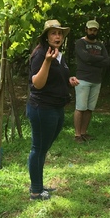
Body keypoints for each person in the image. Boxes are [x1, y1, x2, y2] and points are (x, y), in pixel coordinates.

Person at [27, 19, 79, 200]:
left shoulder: (58, 55)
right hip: (42, 108)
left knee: (43, 148)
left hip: (56, 107)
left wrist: (69, 80)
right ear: (46, 37)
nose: (57, 36)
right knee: (38, 148)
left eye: (60, 33)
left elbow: (58, 78)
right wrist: (47, 62)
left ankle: (39, 185)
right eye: (53, 33)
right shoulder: (41, 55)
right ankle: (35, 191)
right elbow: (38, 83)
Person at [73, 20, 110, 143]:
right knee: (80, 107)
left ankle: (84, 132)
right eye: (90, 30)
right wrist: (98, 59)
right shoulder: (80, 43)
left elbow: (106, 61)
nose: (92, 32)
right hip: (82, 79)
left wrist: (92, 60)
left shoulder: (100, 45)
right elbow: (85, 57)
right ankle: (77, 134)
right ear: (86, 29)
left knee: (90, 108)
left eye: (95, 30)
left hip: (96, 80)